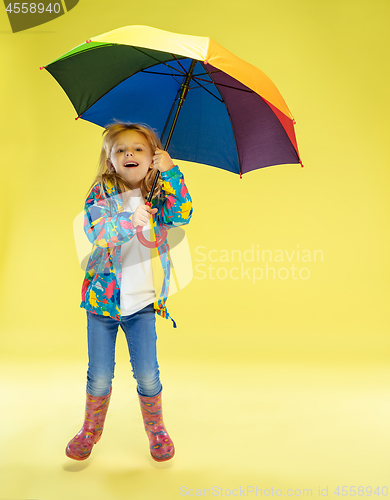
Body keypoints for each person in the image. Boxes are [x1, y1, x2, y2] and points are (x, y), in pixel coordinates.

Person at [65, 122, 193, 462]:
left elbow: (182, 215)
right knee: (101, 375)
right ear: (110, 160)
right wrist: (128, 219)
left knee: (148, 374)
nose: (129, 154)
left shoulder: (159, 193)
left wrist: (174, 174)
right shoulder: (102, 193)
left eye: (138, 149)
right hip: (102, 304)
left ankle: (156, 430)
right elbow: (97, 233)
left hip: (142, 306)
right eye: (121, 150)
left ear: (153, 159)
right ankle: (90, 430)